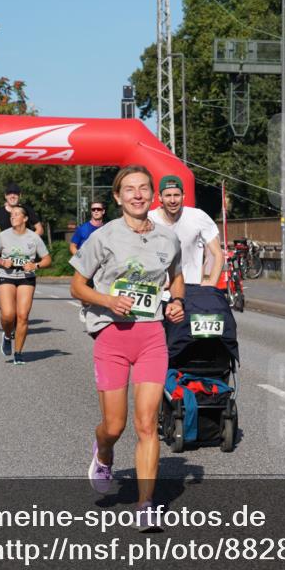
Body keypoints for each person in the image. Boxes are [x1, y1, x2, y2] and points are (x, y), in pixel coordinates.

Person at [70, 165, 185, 528]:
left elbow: (176, 278)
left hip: (151, 336)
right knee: (115, 426)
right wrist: (106, 301)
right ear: (118, 197)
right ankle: (103, 454)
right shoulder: (103, 237)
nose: (137, 194)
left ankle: (146, 504)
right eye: (129, 189)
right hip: (112, 335)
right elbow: (77, 286)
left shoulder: (168, 238)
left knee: (147, 423)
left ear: (151, 196)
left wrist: (177, 302)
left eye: (143, 189)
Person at [0, 205, 52, 365]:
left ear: (25, 218)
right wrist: (2, 261)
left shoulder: (34, 237)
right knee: (8, 314)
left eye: (16, 214)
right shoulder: (2, 236)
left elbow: (47, 259)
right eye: (11, 215)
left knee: (23, 315)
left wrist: (35, 265)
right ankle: (7, 334)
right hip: (6, 275)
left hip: (26, 277)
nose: (12, 217)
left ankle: (18, 353)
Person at [149, 175, 224, 290]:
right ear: (160, 197)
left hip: (190, 288)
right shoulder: (149, 219)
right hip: (159, 290)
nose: (173, 200)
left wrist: (211, 282)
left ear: (183, 196)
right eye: (168, 196)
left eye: (176, 195)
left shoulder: (198, 216)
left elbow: (217, 253)